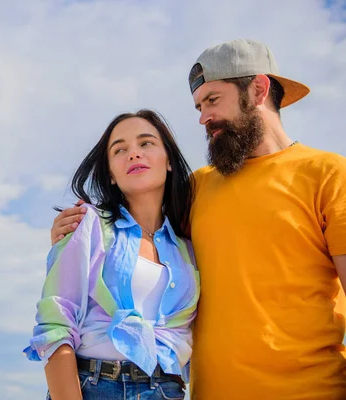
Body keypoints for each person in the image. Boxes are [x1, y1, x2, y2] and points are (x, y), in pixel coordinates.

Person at [50, 39, 346, 399]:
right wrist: (74, 232)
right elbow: (139, 239)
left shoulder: (329, 175)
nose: (203, 117)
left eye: (212, 100)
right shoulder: (197, 188)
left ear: (258, 90)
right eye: (198, 105)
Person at [25, 109, 200, 400]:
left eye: (146, 143)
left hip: (167, 391)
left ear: (168, 160)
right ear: (111, 174)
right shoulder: (87, 225)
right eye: (120, 149)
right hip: (95, 387)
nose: (133, 154)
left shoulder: (189, 248)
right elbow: (55, 325)